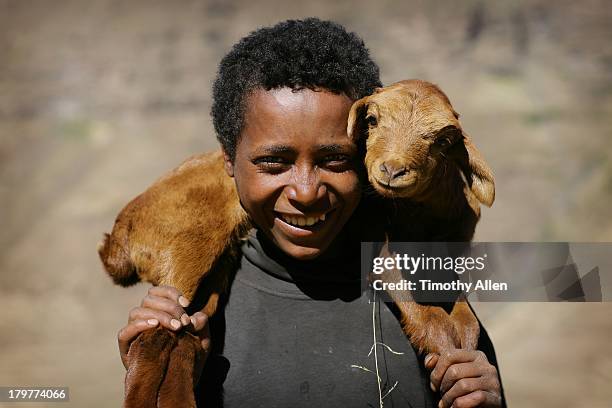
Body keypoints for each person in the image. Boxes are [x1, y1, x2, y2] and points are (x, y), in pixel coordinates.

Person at [117, 18, 505, 407]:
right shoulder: (194, 324)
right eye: (274, 162)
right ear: (228, 160)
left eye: (336, 159)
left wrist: (485, 401)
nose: (305, 193)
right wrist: (158, 374)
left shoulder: (434, 307)